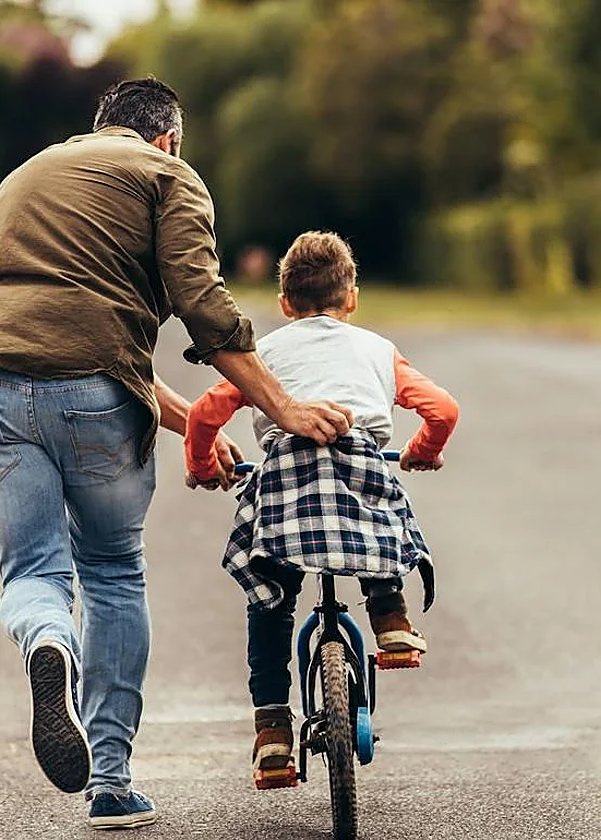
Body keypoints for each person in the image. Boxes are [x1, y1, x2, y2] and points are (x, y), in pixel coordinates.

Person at [0, 79, 353, 829]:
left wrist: (200, 426)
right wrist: (282, 406)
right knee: (112, 570)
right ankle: (111, 784)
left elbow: (81, 338)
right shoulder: (167, 175)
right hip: (93, 395)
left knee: (33, 573)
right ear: (170, 139)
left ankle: (49, 642)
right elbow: (202, 304)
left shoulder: (29, 174)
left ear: (99, 129)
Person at [182, 231, 459, 789]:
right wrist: (421, 452)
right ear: (351, 297)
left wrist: (202, 462)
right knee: (380, 512)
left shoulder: (263, 357)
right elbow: (443, 410)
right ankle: (391, 620)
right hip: (359, 470)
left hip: (286, 484)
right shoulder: (379, 351)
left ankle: (272, 735)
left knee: (272, 600)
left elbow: (205, 413)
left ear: (285, 304)